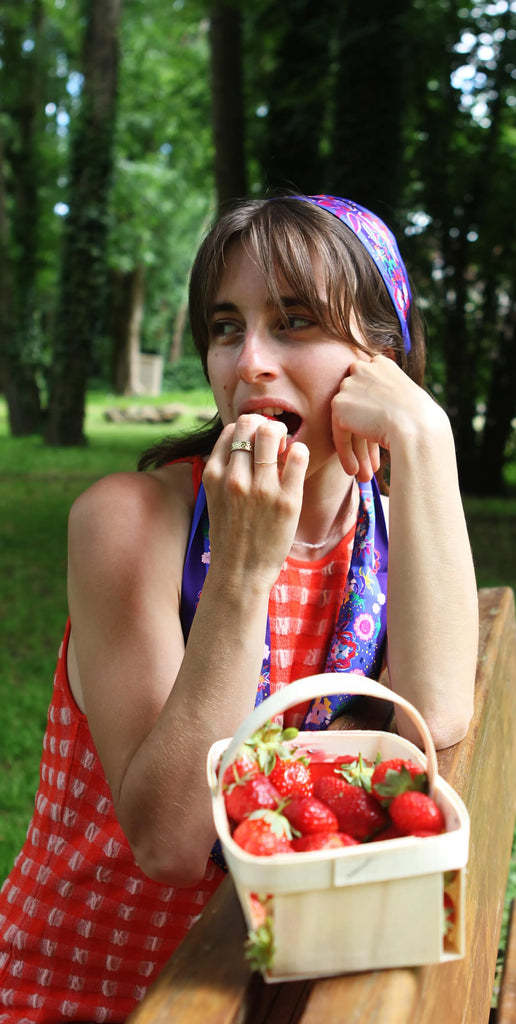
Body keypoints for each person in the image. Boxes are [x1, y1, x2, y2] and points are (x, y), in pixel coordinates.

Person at [0, 194, 478, 1023]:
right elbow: (172, 844)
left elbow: (431, 715)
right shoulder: (129, 522)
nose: (247, 361)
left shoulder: (386, 531)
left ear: (380, 360)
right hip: (84, 991)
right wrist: (242, 572)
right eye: (227, 327)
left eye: (293, 322)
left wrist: (425, 441)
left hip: (262, 984)